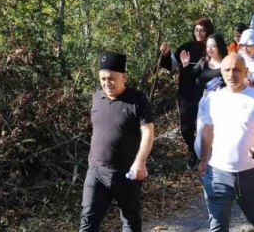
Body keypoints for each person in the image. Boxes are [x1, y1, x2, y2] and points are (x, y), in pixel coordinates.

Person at [198, 54, 254, 232]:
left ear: (245, 72)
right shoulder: (212, 99)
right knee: (217, 224)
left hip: (250, 171)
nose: (231, 74)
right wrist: (203, 160)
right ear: (221, 72)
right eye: (227, 70)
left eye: (237, 70)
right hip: (218, 172)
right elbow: (207, 131)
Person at [79, 51, 154, 232]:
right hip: (96, 171)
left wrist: (140, 161)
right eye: (103, 79)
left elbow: (148, 132)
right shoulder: (97, 98)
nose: (107, 83)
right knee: (87, 221)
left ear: (124, 77)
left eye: (111, 78)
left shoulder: (137, 100)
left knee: (130, 221)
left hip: (127, 173)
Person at [159, 17, 214, 169]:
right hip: (187, 93)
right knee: (186, 128)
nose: (198, 33)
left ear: (208, 31)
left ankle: (206, 155)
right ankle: (193, 150)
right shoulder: (186, 47)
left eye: (202, 30)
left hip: (206, 92)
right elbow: (170, 65)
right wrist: (165, 54)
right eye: (196, 30)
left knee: (205, 126)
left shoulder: (212, 47)